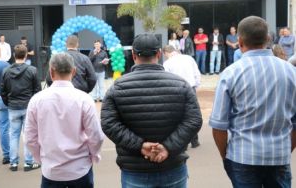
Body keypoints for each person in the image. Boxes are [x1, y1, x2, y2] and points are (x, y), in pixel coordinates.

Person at [101, 34, 202, 188]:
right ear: (159, 54)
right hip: (172, 166)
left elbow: (109, 124)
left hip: (135, 170)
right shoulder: (181, 85)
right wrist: (168, 147)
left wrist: (140, 146)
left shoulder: (117, 87)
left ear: (133, 55)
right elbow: (193, 120)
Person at [209, 16, 296, 188]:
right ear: (269, 39)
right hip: (279, 157)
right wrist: (285, 150)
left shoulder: (231, 73)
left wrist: (226, 156)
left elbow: (219, 126)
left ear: (240, 42)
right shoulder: (290, 71)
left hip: (242, 157)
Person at [25, 53, 104, 188]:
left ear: (51, 72)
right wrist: (94, 155)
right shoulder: (84, 99)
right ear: (74, 71)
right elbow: (96, 136)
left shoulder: (36, 100)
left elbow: (29, 138)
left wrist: (41, 158)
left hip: (51, 171)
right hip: (80, 169)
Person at [1, 44, 41, 172]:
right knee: (28, 135)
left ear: (14, 55)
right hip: (28, 106)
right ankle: (28, 163)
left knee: (14, 135)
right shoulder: (32, 70)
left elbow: (3, 90)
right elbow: (37, 90)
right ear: (26, 55)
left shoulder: (6, 71)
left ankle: (13, 163)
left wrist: (8, 103)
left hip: (13, 106)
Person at [163, 45, 201, 148]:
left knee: (179, 117)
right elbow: (197, 73)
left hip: (176, 90)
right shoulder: (189, 58)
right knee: (192, 115)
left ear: (166, 53)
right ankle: (195, 141)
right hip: (191, 88)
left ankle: (182, 143)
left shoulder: (167, 63)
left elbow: (166, 79)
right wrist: (196, 85)